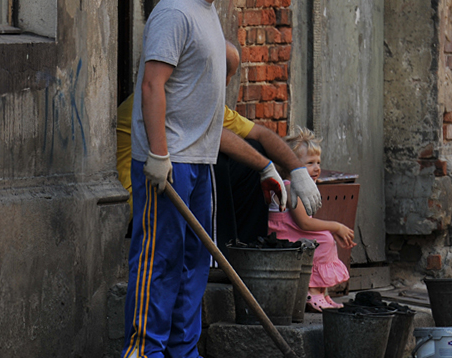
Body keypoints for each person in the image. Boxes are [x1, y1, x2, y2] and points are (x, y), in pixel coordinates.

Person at [122, 0, 247, 358]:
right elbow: (153, 85)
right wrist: (157, 155)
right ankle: (143, 355)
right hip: (167, 161)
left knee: (196, 258)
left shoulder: (207, 13)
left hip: (201, 160)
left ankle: (183, 353)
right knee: (160, 256)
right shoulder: (174, 12)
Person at [116, 42, 321, 235]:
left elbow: (261, 134)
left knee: (253, 148)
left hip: (175, 190)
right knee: (221, 160)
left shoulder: (203, 103)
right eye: (226, 76)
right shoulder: (166, 98)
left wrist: (297, 170)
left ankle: (244, 251)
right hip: (143, 200)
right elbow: (215, 137)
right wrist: (266, 167)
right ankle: (219, 256)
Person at [268, 127, 355, 312]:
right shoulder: (290, 187)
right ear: (290, 164)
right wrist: (336, 227)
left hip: (292, 231)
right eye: (309, 163)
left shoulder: (302, 187)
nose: (317, 168)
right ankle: (312, 292)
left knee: (325, 239)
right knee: (323, 240)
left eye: (318, 162)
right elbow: (304, 223)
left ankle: (322, 292)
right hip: (283, 235)